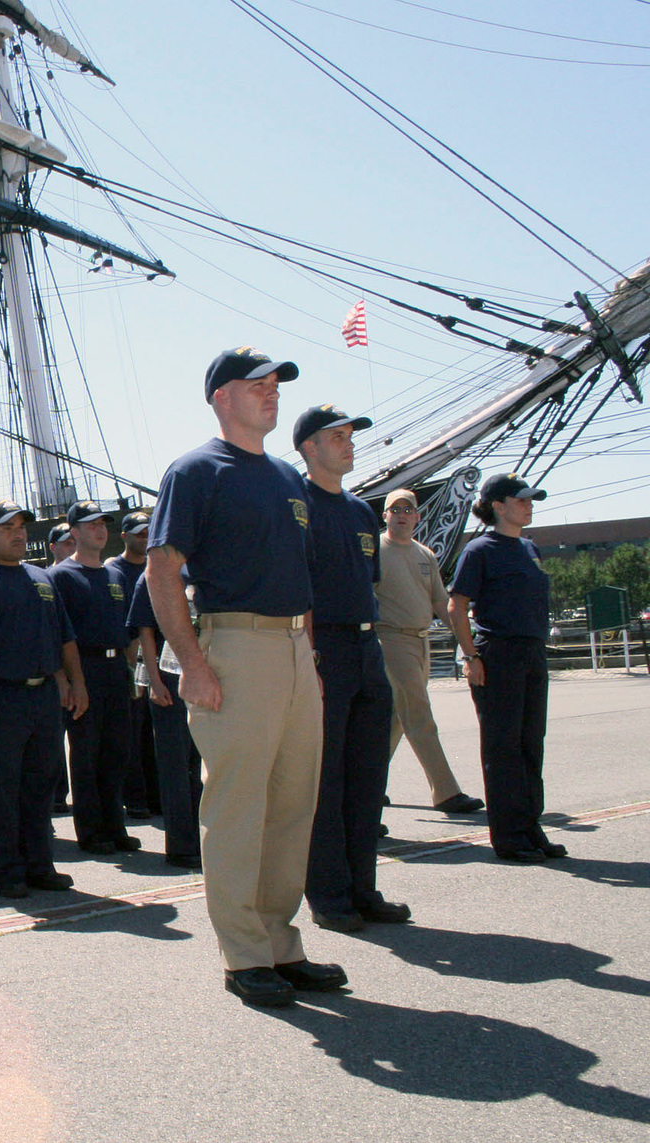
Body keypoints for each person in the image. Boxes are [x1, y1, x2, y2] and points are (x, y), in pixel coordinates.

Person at [147, 347, 344, 1008]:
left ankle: (281, 942)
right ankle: (243, 953)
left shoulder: (289, 479)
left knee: (291, 806)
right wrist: (194, 665)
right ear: (220, 396)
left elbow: (303, 581)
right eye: (256, 384)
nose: (271, 393)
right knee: (238, 807)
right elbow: (163, 571)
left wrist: (309, 660)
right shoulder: (196, 471)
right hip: (234, 642)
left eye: (276, 385)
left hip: (291, 649)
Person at [293, 405, 410, 933]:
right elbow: (298, 587)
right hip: (325, 651)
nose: (348, 443)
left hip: (367, 649)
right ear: (308, 448)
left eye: (350, 436)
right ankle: (330, 896)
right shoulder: (296, 507)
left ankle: (364, 889)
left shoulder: (364, 512)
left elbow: (369, 583)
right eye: (335, 437)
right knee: (328, 779)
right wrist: (310, 656)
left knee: (367, 778)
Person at [0, 497, 88, 899]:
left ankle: (40, 865)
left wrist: (76, 682)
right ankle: (6, 870)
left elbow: (65, 637)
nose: (19, 533)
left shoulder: (42, 579)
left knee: (40, 785)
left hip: (42, 696)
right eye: (7, 528)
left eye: (21, 526)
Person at [448, 473, 560, 864]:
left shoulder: (529, 549)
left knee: (531, 742)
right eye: (522, 500)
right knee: (503, 746)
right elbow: (456, 606)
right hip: (498, 653)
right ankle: (510, 838)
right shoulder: (479, 550)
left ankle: (531, 827)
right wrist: (470, 657)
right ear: (498, 505)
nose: (529, 506)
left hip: (531, 651)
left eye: (531, 501)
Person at [375, 489, 485, 815]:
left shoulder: (425, 554)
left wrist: (468, 644)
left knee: (396, 719)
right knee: (420, 718)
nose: (401, 514)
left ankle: (368, 784)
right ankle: (446, 792)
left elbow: (441, 601)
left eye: (408, 509)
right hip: (391, 641)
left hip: (421, 642)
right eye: (394, 509)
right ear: (385, 516)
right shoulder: (374, 551)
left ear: (418, 516)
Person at [46, 501, 142, 856]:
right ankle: (91, 831)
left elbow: (129, 631)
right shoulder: (61, 577)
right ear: (74, 533)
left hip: (116, 669)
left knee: (117, 751)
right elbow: (55, 634)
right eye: (90, 525)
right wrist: (65, 681)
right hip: (82, 668)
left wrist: (131, 672)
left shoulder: (114, 575)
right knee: (86, 754)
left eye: (103, 524)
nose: (100, 530)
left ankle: (114, 826)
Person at [127, 570, 203, 869]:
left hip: (202, 674)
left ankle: (203, 838)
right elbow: (145, 631)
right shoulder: (154, 575)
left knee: (200, 765)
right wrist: (155, 681)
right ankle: (181, 846)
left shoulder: (201, 567)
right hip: (169, 679)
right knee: (175, 765)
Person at [108, 512, 162, 819]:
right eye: (140, 534)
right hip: (131, 660)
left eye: (148, 533)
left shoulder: (157, 568)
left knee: (157, 734)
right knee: (133, 735)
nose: (145, 538)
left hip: (159, 658)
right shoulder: (113, 571)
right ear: (125, 536)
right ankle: (136, 798)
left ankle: (158, 796)